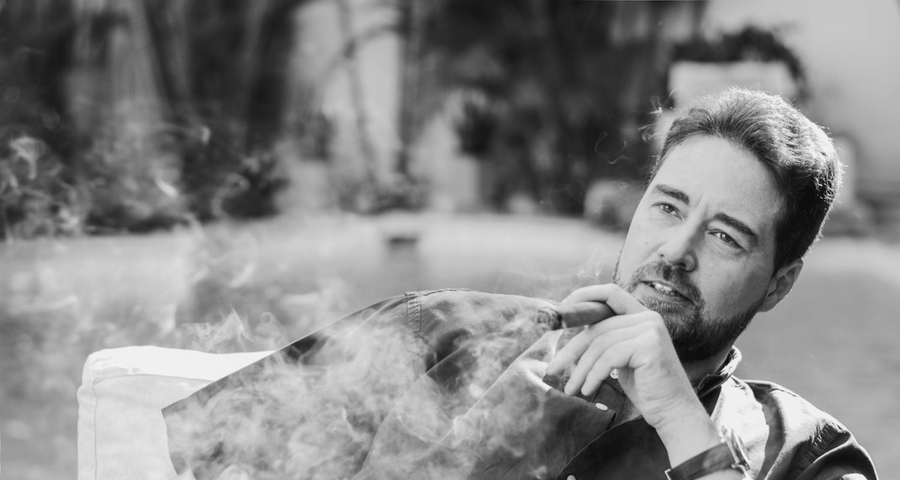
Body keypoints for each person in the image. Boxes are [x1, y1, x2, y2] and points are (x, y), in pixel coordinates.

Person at [164, 88, 878, 480]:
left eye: (725, 236)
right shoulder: (443, 331)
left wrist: (679, 422)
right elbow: (214, 454)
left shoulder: (807, 456)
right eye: (667, 208)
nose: (676, 251)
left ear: (779, 284)